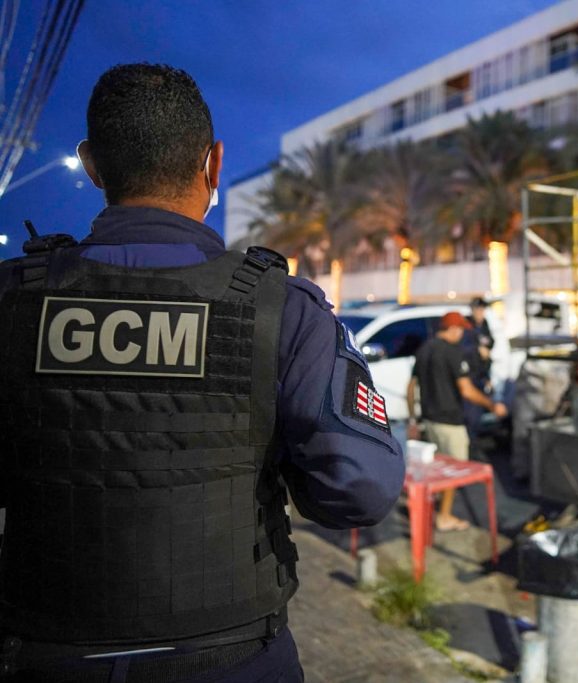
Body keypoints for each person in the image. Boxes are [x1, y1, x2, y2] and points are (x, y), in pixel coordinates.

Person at [0, 64, 405, 682]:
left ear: (92, 166)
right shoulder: (282, 310)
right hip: (233, 660)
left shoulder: (13, 299)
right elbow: (360, 490)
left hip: (43, 656)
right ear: (213, 164)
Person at [407, 312, 507, 531]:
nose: (461, 334)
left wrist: (413, 419)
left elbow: (411, 386)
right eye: (460, 329)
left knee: (435, 470)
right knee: (452, 473)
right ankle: (444, 516)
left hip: (429, 420)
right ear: (453, 329)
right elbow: (466, 390)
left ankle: (431, 509)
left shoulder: (424, 350)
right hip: (451, 422)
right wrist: (492, 406)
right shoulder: (453, 352)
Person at [461, 297, 495, 440]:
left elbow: (490, 343)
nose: (480, 312)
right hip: (469, 376)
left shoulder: (484, 325)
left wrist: (487, 377)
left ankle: (474, 441)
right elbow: (461, 349)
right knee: (470, 416)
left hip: (481, 376)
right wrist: (477, 350)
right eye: (477, 309)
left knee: (478, 416)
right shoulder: (466, 325)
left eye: (482, 309)